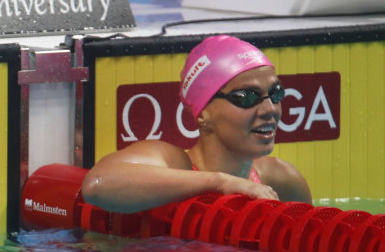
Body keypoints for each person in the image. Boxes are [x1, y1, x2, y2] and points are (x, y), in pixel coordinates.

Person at [81, 35, 311, 214]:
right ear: (203, 114)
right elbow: (97, 184)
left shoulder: (282, 180)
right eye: (247, 97)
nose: (270, 109)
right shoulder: (170, 162)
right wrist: (220, 182)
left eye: (275, 93)